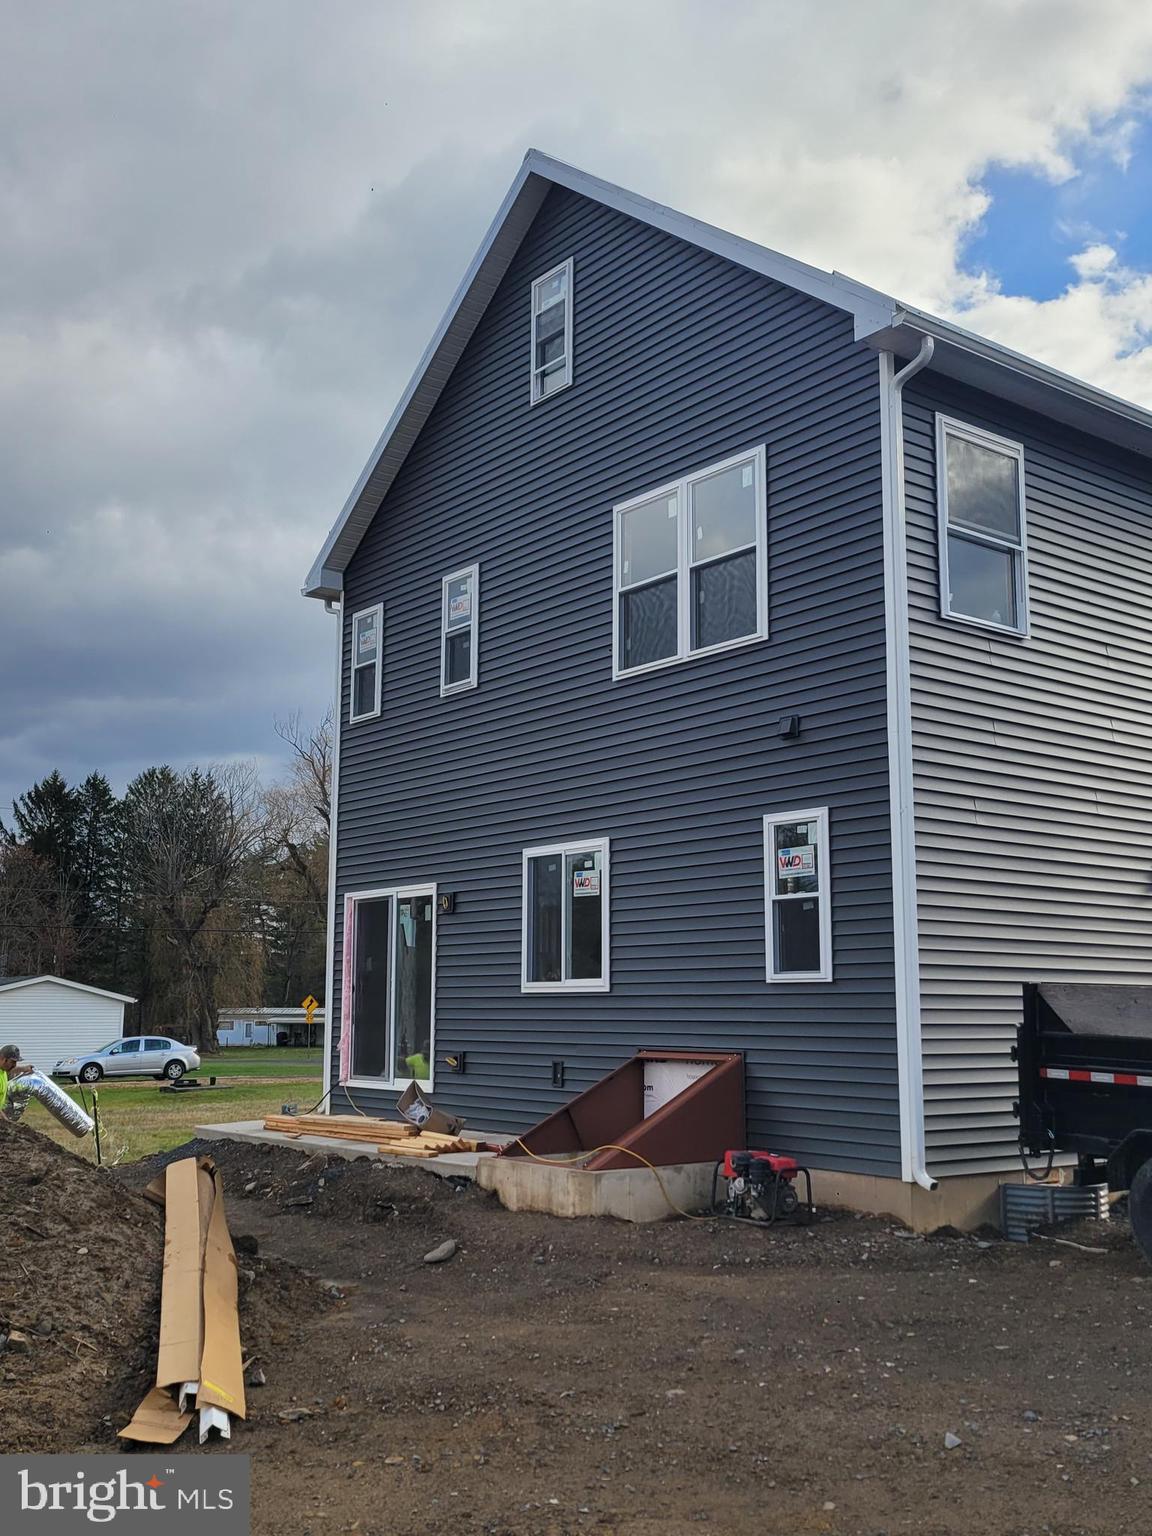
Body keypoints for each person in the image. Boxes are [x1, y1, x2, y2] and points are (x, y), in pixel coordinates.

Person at [0, 1044, 32, 1117]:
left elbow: (11, 1069)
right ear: (4, 1059)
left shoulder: (3, 1069)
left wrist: (24, 1069)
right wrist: (5, 1120)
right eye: (13, 1062)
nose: (14, 1065)